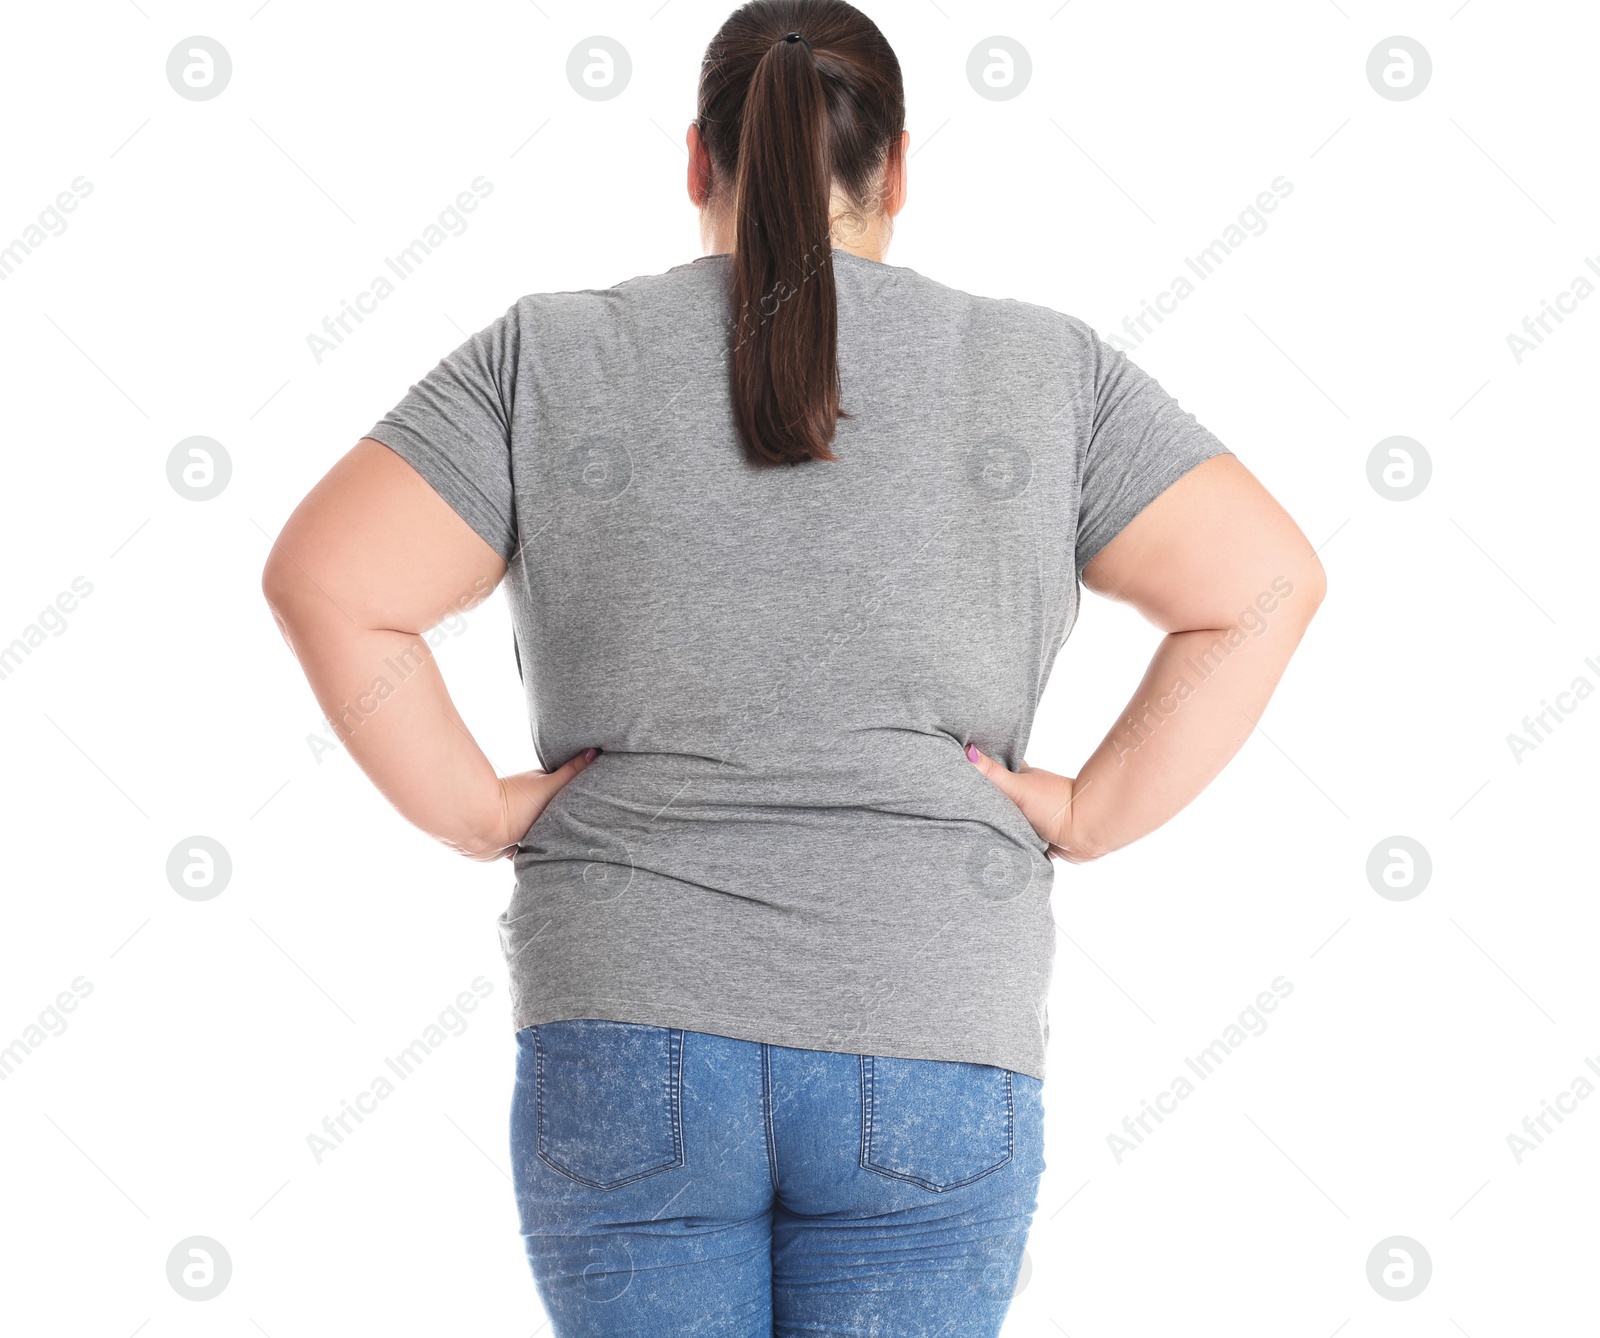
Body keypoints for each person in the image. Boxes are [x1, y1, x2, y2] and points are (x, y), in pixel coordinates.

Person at [260, 1, 1326, 1333]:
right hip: (932, 1029)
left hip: (626, 1034)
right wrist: (1090, 811)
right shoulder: (1044, 371)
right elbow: (1270, 584)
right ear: (896, 172)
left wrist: (478, 811)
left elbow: (328, 580)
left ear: (698, 162)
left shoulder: (550, 354)